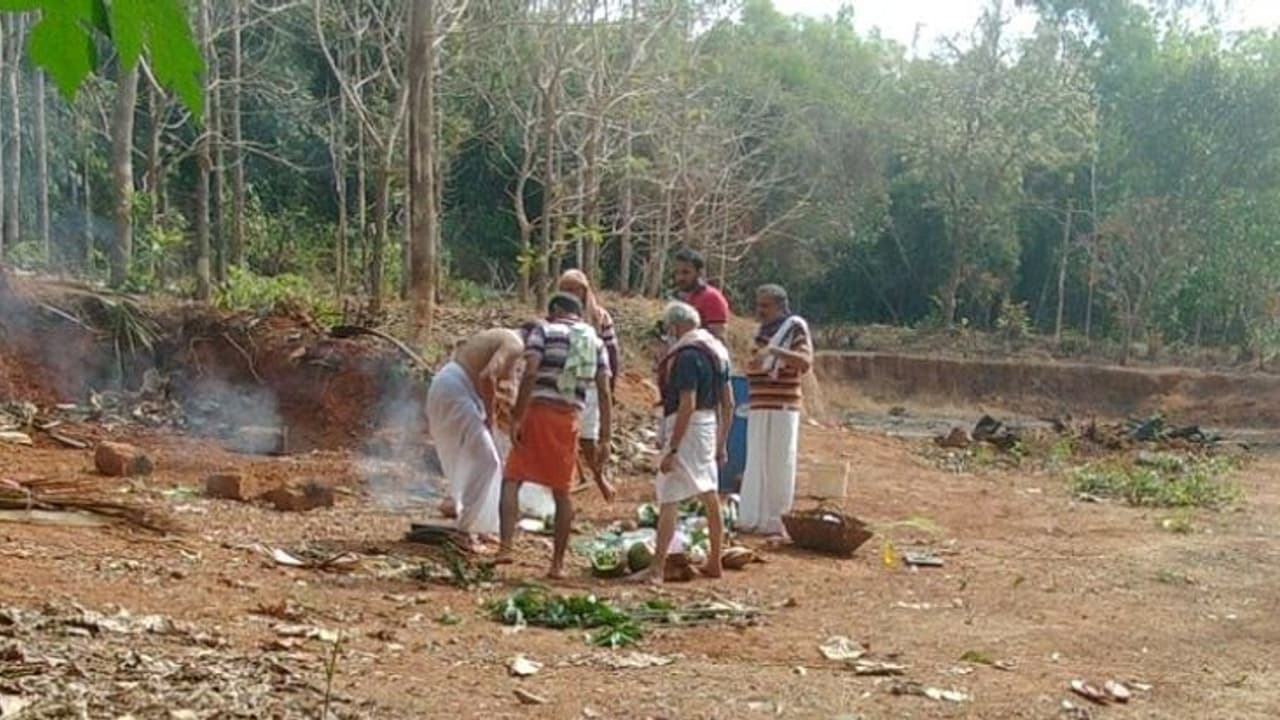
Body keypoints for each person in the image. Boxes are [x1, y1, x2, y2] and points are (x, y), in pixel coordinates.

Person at [499, 293, 615, 578]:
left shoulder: (545, 330)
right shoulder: (595, 342)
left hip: (537, 414)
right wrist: (605, 436)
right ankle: (557, 565)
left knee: (512, 479)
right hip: (567, 419)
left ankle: (505, 548)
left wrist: (517, 416)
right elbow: (604, 391)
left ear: (555, 311)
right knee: (562, 492)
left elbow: (530, 372)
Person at [632, 302, 734, 584]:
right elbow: (729, 402)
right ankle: (715, 560)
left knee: (669, 494)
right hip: (707, 427)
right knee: (710, 493)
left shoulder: (687, 356)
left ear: (675, 327)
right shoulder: (717, 351)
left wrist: (672, 448)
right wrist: (722, 442)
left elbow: (686, 404)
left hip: (686, 428)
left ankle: (656, 569)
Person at [426, 328, 525, 549]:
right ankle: (465, 530)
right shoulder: (515, 344)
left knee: (489, 460)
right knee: (487, 460)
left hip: (457, 389)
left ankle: (481, 526)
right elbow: (486, 377)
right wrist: (490, 418)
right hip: (455, 390)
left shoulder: (507, 339)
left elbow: (499, 383)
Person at [739, 284, 813, 538]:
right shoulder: (762, 331)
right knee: (757, 462)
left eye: (765, 306)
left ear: (780, 306)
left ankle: (776, 521)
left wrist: (774, 351)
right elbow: (752, 363)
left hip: (783, 405)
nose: (760, 310)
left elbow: (805, 362)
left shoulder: (794, 328)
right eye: (758, 305)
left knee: (779, 463)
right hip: (759, 403)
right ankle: (753, 519)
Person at [556, 270, 620, 490]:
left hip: (591, 384)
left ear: (584, 291)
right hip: (563, 384)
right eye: (565, 289)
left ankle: (598, 477)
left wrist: (611, 386)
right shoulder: (557, 317)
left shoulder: (599, 317)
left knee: (587, 437)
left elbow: (611, 352)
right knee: (564, 432)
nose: (569, 294)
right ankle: (572, 479)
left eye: (573, 289)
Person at [671, 248, 731, 339]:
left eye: (686, 272)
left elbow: (717, 339)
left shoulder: (711, 298)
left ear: (699, 273)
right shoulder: (677, 298)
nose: (680, 278)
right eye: (677, 272)